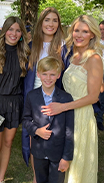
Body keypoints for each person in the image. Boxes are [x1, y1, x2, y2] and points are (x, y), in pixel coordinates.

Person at [42, 15, 103, 183]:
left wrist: (62, 107)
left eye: (85, 31)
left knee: (77, 165)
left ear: (92, 34)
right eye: (76, 30)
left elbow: (93, 96)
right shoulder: (71, 54)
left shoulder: (94, 59)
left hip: (81, 116)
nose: (79, 35)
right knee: (64, 164)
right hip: (66, 114)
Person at [22, 7, 72, 183]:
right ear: (40, 23)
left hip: (53, 98)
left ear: (59, 24)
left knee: (52, 137)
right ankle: (37, 177)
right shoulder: (31, 46)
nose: (51, 24)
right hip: (33, 98)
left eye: (55, 20)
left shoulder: (64, 49)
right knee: (34, 139)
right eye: (47, 20)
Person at [0, 16, 30, 183]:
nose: (14, 33)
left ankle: (1, 178)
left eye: (18, 30)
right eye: (11, 29)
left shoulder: (24, 53)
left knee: (8, 144)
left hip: (15, 104)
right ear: (4, 31)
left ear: (22, 34)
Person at [23, 56, 74, 183]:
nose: (48, 78)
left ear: (58, 75)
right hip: (39, 151)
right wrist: (36, 131)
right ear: (38, 74)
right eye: (44, 74)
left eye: (52, 74)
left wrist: (66, 158)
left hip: (58, 154)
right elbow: (26, 120)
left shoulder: (66, 98)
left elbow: (69, 130)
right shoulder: (31, 96)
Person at [96, 20, 104, 131]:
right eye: (100, 29)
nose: (102, 32)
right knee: (101, 98)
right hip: (99, 73)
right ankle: (99, 121)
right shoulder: (96, 43)